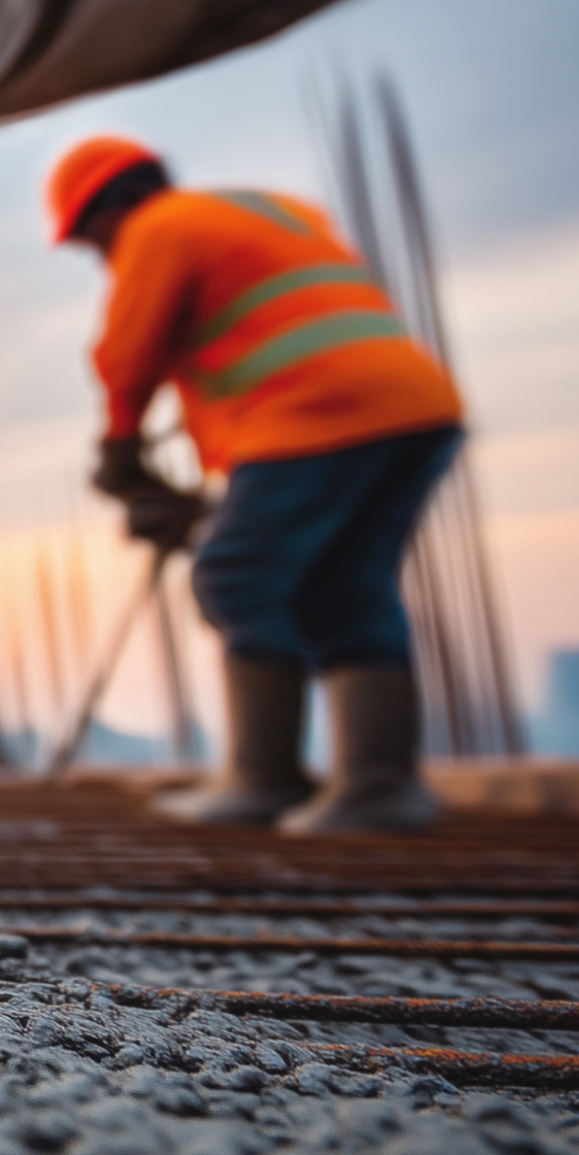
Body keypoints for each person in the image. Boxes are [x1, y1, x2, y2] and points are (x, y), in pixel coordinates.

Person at [48, 136, 464, 834]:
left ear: (107, 211)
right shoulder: (269, 209)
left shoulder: (156, 228)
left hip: (316, 413)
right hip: (417, 408)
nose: (98, 258)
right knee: (347, 586)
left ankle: (263, 778)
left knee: (235, 576)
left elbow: (127, 352)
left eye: (91, 242)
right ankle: (380, 785)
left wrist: (120, 451)